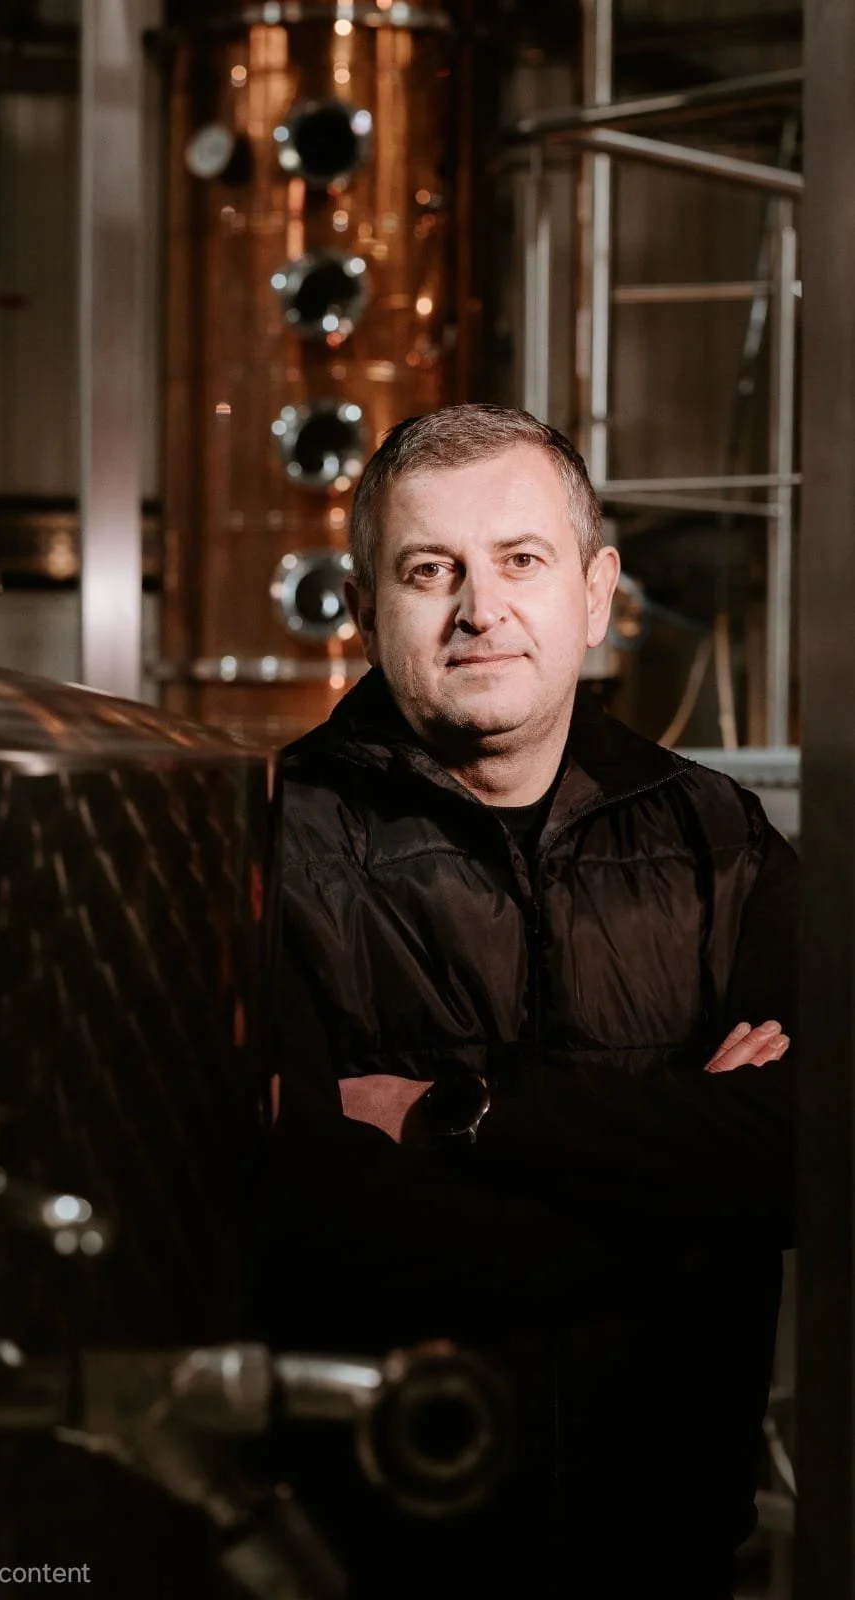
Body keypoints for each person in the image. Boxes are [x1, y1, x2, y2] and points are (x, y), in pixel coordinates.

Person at [250, 405, 796, 1600]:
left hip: (663, 1547)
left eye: (521, 560)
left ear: (594, 594)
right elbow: (313, 1232)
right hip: (366, 1555)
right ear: (363, 608)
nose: (478, 608)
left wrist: (458, 1121)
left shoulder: (720, 838)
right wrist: (682, 1206)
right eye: (428, 570)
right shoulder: (266, 846)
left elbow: (809, 1153)